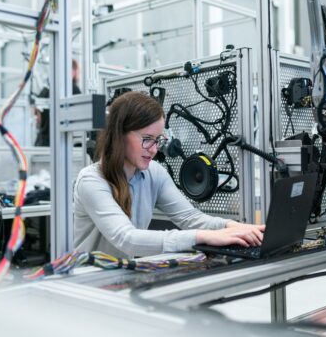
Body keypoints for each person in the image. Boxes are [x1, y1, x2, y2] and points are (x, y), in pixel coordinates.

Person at [73, 91, 265, 258]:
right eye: (147, 139)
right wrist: (203, 236)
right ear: (119, 135)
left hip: (122, 275)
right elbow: (127, 239)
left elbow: (190, 218)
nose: (154, 149)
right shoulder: (92, 180)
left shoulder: (154, 173)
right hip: (89, 282)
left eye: (158, 140)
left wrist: (235, 227)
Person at [34, 59, 81, 147]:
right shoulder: (72, 88)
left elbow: (37, 115)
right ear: (73, 71)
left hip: (42, 143)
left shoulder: (46, 89)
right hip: (60, 144)